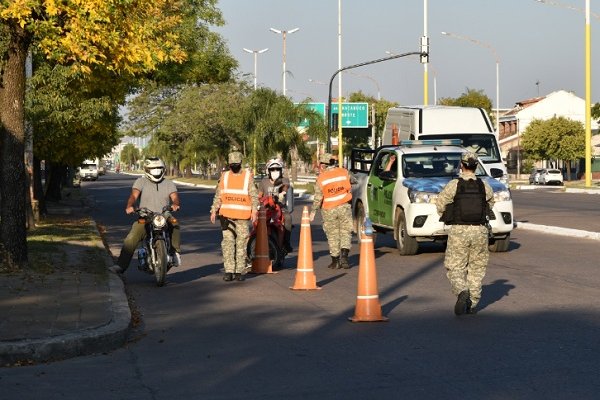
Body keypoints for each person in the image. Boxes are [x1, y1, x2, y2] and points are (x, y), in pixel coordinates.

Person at [435, 151, 495, 315]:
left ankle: (462, 290)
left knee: (455, 266)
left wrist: (447, 216)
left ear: (461, 165)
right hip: (480, 231)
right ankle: (473, 303)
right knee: (477, 268)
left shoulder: (454, 185)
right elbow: (491, 203)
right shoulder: (485, 186)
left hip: (459, 230)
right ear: (476, 166)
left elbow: (440, 203)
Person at [109, 157, 181, 274]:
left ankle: (175, 253)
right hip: (145, 215)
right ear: (147, 170)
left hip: (164, 214)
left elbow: (175, 197)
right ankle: (120, 266)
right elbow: (133, 196)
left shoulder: (169, 183)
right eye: (153, 169)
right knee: (131, 238)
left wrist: (175, 204)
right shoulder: (141, 182)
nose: (156, 171)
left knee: (175, 223)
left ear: (163, 169)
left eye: (159, 168)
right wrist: (130, 206)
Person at [210, 151, 259, 282]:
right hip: (227, 217)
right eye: (232, 164)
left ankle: (239, 271)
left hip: (243, 217)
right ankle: (229, 271)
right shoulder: (224, 177)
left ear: (240, 163)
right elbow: (218, 196)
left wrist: (254, 211)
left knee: (241, 244)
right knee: (228, 244)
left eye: (236, 164)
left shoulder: (248, 177)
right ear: (229, 164)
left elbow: (254, 196)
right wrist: (214, 210)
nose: (234, 166)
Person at [310, 153, 356, 269]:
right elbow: (354, 181)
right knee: (345, 231)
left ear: (323, 165)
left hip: (329, 209)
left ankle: (335, 261)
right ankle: (344, 255)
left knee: (332, 234)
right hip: (344, 206)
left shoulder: (321, 178)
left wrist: (313, 211)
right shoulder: (343, 172)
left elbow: (318, 197)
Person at [258, 158, 293, 253]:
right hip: (266, 208)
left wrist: (283, 193)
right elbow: (259, 195)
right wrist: (257, 202)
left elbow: (285, 186)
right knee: (256, 223)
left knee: (288, 218)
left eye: (277, 169)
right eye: (272, 169)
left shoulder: (284, 180)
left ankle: (286, 242)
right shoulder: (263, 182)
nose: (275, 171)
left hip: (280, 208)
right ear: (268, 171)